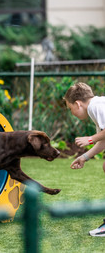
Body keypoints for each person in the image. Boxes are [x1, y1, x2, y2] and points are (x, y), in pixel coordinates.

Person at [64, 82, 105, 236]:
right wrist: (84, 157)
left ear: (78, 104)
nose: (71, 112)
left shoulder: (96, 106)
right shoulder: (98, 105)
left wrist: (90, 139)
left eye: (70, 108)